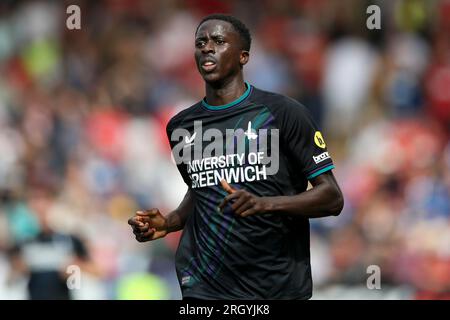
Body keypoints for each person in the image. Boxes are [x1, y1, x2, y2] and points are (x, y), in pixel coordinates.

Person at [128, 14, 344, 300]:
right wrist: (170, 222)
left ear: (243, 56)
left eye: (218, 41)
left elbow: (332, 198)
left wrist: (265, 204)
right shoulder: (181, 126)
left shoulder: (283, 113)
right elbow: (202, 193)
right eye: (200, 42)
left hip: (274, 285)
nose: (207, 48)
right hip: (205, 284)